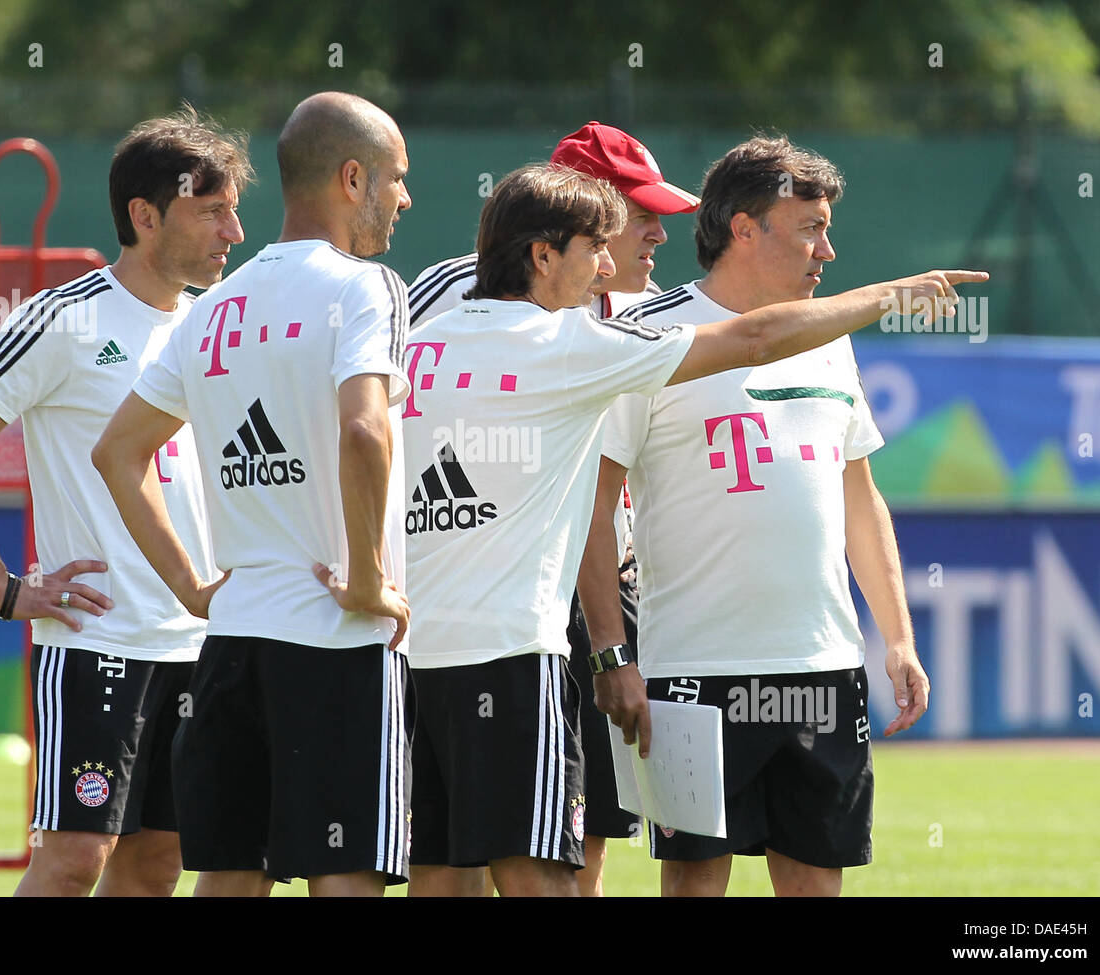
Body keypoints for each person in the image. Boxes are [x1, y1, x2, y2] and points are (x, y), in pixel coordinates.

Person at [403, 161, 983, 897]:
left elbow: (359, 438)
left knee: (441, 870)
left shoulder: (420, 342)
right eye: (596, 246)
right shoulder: (584, 345)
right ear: (544, 255)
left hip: (420, 655)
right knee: (546, 873)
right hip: (586, 663)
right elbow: (755, 342)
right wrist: (890, 295)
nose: (612, 269)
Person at [0, 105, 250, 896]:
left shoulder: (213, 327)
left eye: (234, 211)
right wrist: (5, 588)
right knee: (70, 863)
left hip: (198, 642)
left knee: (158, 861)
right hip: (97, 641)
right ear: (144, 215)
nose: (232, 231)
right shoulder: (63, 319)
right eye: (212, 211)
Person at [576, 134, 934, 898]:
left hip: (820, 669)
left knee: (814, 884)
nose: (828, 251)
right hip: (692, 673)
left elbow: (859, 499)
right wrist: (613, 653)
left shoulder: (828, 337)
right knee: (695, 885)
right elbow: (595, 509)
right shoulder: (650, 336)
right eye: (810, 227)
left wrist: (897, 636)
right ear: (744, 227)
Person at [92, 91, 413, 897]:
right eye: (396, 179)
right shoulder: (364, 287)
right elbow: (366, 432)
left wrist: (195, 590)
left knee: (230, 877)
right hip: (335, 642)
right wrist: (370, 579)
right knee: (345, 875)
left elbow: (116, 452)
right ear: (352, 178)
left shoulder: (211, 312)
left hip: (231, 647)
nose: (405, 198)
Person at [407, 121, 700, 896]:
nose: (656, 232)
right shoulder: (453, 293)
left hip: (594, 581)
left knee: (582, 833)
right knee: (475, 850)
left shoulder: (642, 308)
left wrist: (615, 637)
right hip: (490, 592)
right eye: (640, 211)